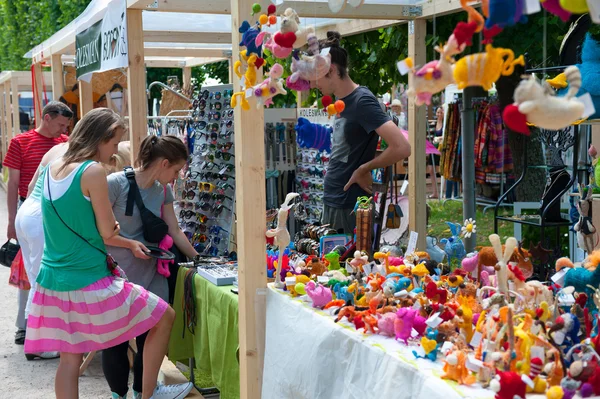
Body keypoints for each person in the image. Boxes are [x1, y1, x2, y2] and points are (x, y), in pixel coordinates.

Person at [24, 108, 190, 399]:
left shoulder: (54, 167)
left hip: (53, 279)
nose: (115, 152)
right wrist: (116, 231)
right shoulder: (92, 171)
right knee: (164, 316)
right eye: (114, 143)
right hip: (89, 278)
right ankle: (147, 394)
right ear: (99, 138)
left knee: (69, 360)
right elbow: (107, 232)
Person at [101, 135, 198, 399]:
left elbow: (175, 230)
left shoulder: (163, 191)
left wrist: (198, 258)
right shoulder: (114, 185)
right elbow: (97, 232)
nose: (176, 176)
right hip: (117, 273)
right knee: (116, 341)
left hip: (153, 271)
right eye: (176, 170)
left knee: (151, 334)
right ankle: (117, 395)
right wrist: (129, 244)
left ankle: (144, 392)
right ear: (164, 163)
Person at [309, 31, 411, 234]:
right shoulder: (342, 103)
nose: (313, 83)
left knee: (349, 263)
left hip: (349, 205)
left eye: (315, 76)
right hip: (336, 199)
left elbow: (402, 147)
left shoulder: (361, 100)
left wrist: (365, 169)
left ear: (332, 70)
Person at [4, 101, 72, 346]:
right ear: (46, 117)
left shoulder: (63, 142)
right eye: (61, 124)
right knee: (28, 267)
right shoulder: (20, 142)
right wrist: (12, 220)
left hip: (54, 210)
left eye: (66, 126)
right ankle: (24, 326)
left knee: (40, 267)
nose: (63, 130)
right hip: (30, 207)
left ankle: (37, 325)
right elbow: (13, 183)